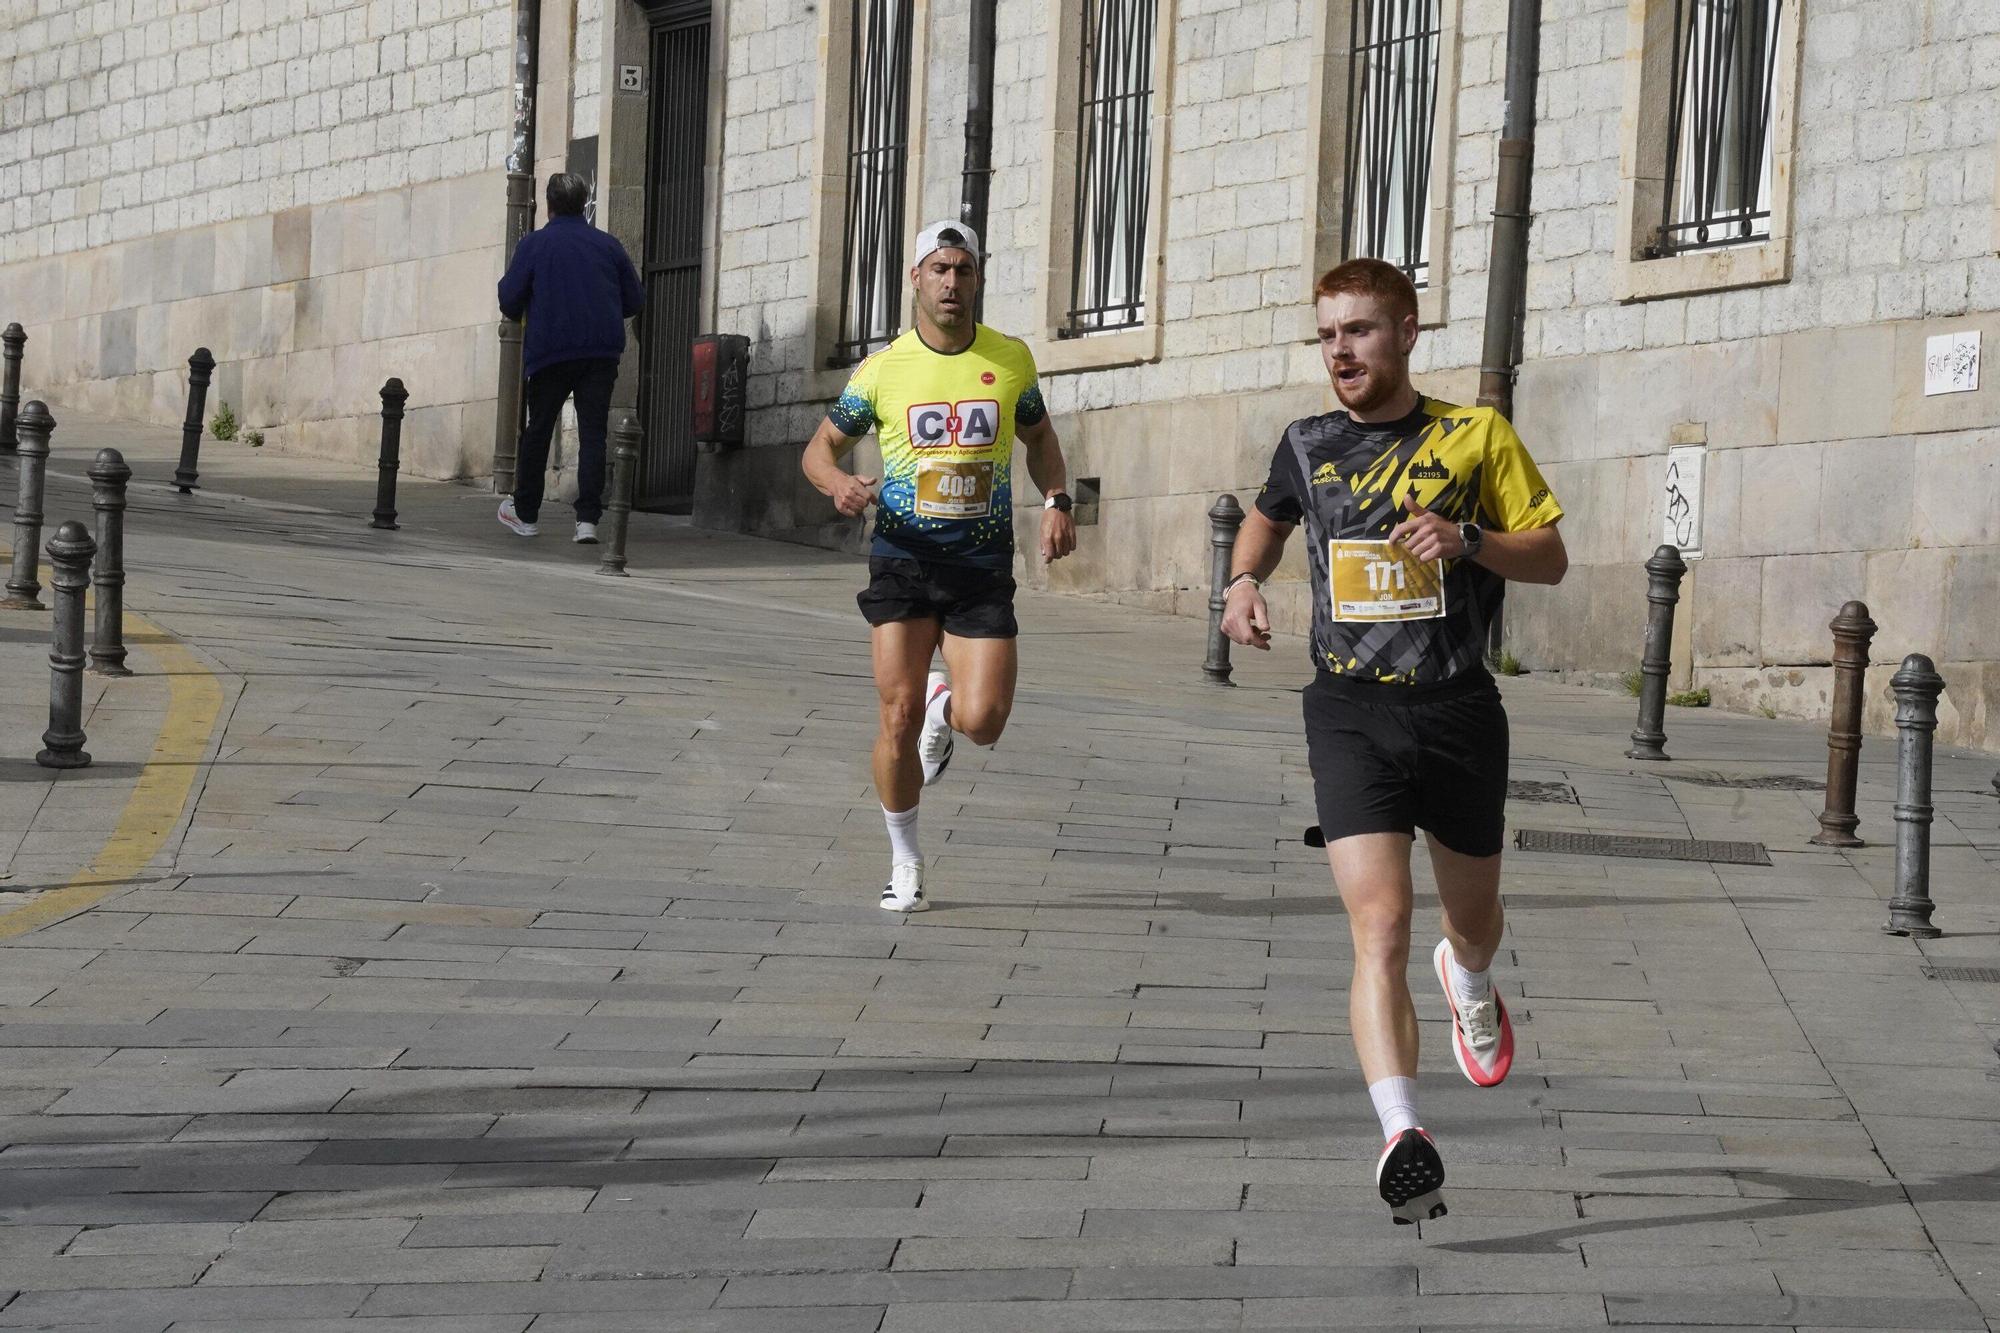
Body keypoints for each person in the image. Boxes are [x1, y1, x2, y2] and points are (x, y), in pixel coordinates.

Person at [1221, 258, 1568, 1225]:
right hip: (1349, 713)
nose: (1340, 350)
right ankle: (1403, 1132)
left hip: (1457, 711)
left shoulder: (1476, 437)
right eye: (1328, 334)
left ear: (1407, 333)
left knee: (1471, 919)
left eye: (1360, 331)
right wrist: (1242, 583)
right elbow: (1265, 524)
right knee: (1379, 924)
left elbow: (1551, 556)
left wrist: (1471, 541)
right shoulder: (1308, 443)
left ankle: (1471, 978)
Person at [801, 220, 1077, 913]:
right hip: (903, 558)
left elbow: (1040, 437)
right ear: (916, 279)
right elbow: (818, 450)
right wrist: (837, 483)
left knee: (984, 720)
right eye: (939, 270)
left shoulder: (1010, 359)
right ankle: (905, 860)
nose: (952, 283)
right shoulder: (882, 369)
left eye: (963, 270)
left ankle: (943, 705)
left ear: (977, 279)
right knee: (895, 716)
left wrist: (1057, 500)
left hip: (980, 565)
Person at [495, 172, 645, 544]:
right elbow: (634, 299)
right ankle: (587, 521)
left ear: (549, 205)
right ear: (583, 204)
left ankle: (526, 513)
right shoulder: (608, 245)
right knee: (593, 434)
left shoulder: (534, 244)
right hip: (600, 351)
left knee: (539, 429)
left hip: (551, 351)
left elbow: (509, 299)